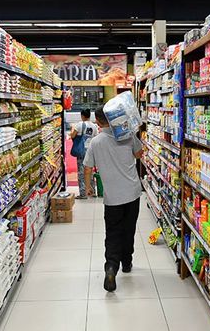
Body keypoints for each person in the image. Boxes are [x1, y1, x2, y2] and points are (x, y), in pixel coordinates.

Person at [83, 105, 143, 292]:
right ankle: (127, 262)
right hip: (132, 193)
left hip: (112, 198)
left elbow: (87, 168)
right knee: (129, 228)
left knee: (113, 232)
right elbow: (139, 154)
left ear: (99, 122)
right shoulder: (126, 135)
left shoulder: (95, 142)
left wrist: (89, 187)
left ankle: (111, 267)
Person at [70, 108, 98, 199]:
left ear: (82, 116)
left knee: (81, 172)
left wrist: (72, 131)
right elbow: (96, 138)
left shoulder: (79, 125)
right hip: (91, 150)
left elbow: (73, 136)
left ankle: (83, 193)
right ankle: (92, 191)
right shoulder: (94, 126)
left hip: (82, 150)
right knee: (90, 170)